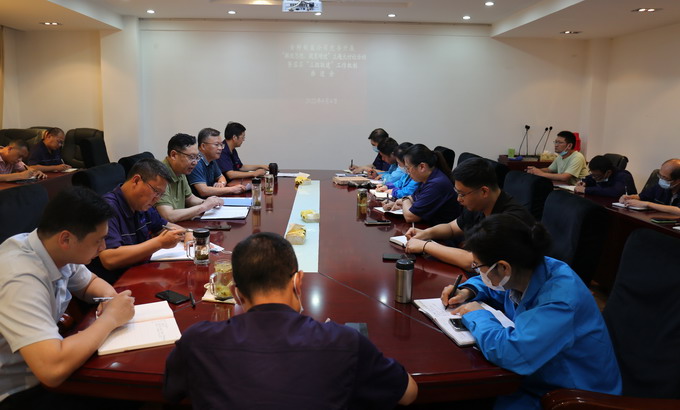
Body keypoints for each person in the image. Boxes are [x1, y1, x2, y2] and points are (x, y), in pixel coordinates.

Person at [164, 232, 417, 409]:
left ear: (236, 294)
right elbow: (409, 394)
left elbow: (170, 392)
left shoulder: (198, 341)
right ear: (298, 281)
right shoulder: (344, 341)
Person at [440, 215, 621, 409]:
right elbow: (499, 287)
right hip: (536, 377)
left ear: (503, 267)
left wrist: (476, 314)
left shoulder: (560, 300)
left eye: (478, 266)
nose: (477, 271)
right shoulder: (526, 267)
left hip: (572, 396)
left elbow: (511, 353)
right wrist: (468, 291)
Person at [0, 187, 135, 407]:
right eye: (98, 240)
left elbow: (90, 283)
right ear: (66, 239)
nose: (103, 247)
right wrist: (110, 318)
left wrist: (110, 299)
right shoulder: (19, 277)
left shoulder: (54, 249)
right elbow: (52, 370)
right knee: (126, 391)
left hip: (47, 367)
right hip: (19, 391)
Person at [405, 158, 534, 268]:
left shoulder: (509, 220)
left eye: (462, 194)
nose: (458, 199)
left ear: (484, 191)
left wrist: (426, 246)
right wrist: (426, 233)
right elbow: (451, 228)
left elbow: (474, 262)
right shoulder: (479, 204)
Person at [88, 158, 186, 284]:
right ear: (136, 180)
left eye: (161, 195)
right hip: (117, 283)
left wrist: (186, 233)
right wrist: (159, 242)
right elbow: (109, 259)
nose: (157, 199)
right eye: (156, 192)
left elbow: (165, 226)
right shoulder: (107, 208)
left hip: (142, 274)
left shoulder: (142, 204)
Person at [383, 144, 460, 225]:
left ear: (422, 167)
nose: (407, 172)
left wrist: (404, 200)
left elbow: (410, 217)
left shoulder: (436, 184)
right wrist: (399, 203)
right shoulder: (428, 178)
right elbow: (414, 198)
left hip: (438, 230)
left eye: (408, 168)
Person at [155, 133, 225, 222]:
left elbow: (190, 198)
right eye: (191, 157)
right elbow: (168, 216)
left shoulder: (180, 170)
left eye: (197, 157)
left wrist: (209, 202)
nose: (195, 162)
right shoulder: (159, 175)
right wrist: (203, 206)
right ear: (174, 155)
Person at [188, 128, 248, 198]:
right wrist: (232, 189)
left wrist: (221, 183)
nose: (220, 148)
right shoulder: (196, 162)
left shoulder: (212, 159)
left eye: (221, 145)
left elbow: (221, 177)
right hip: (199, 202)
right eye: (216, 145)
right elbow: (203, 191)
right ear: (203, 146)